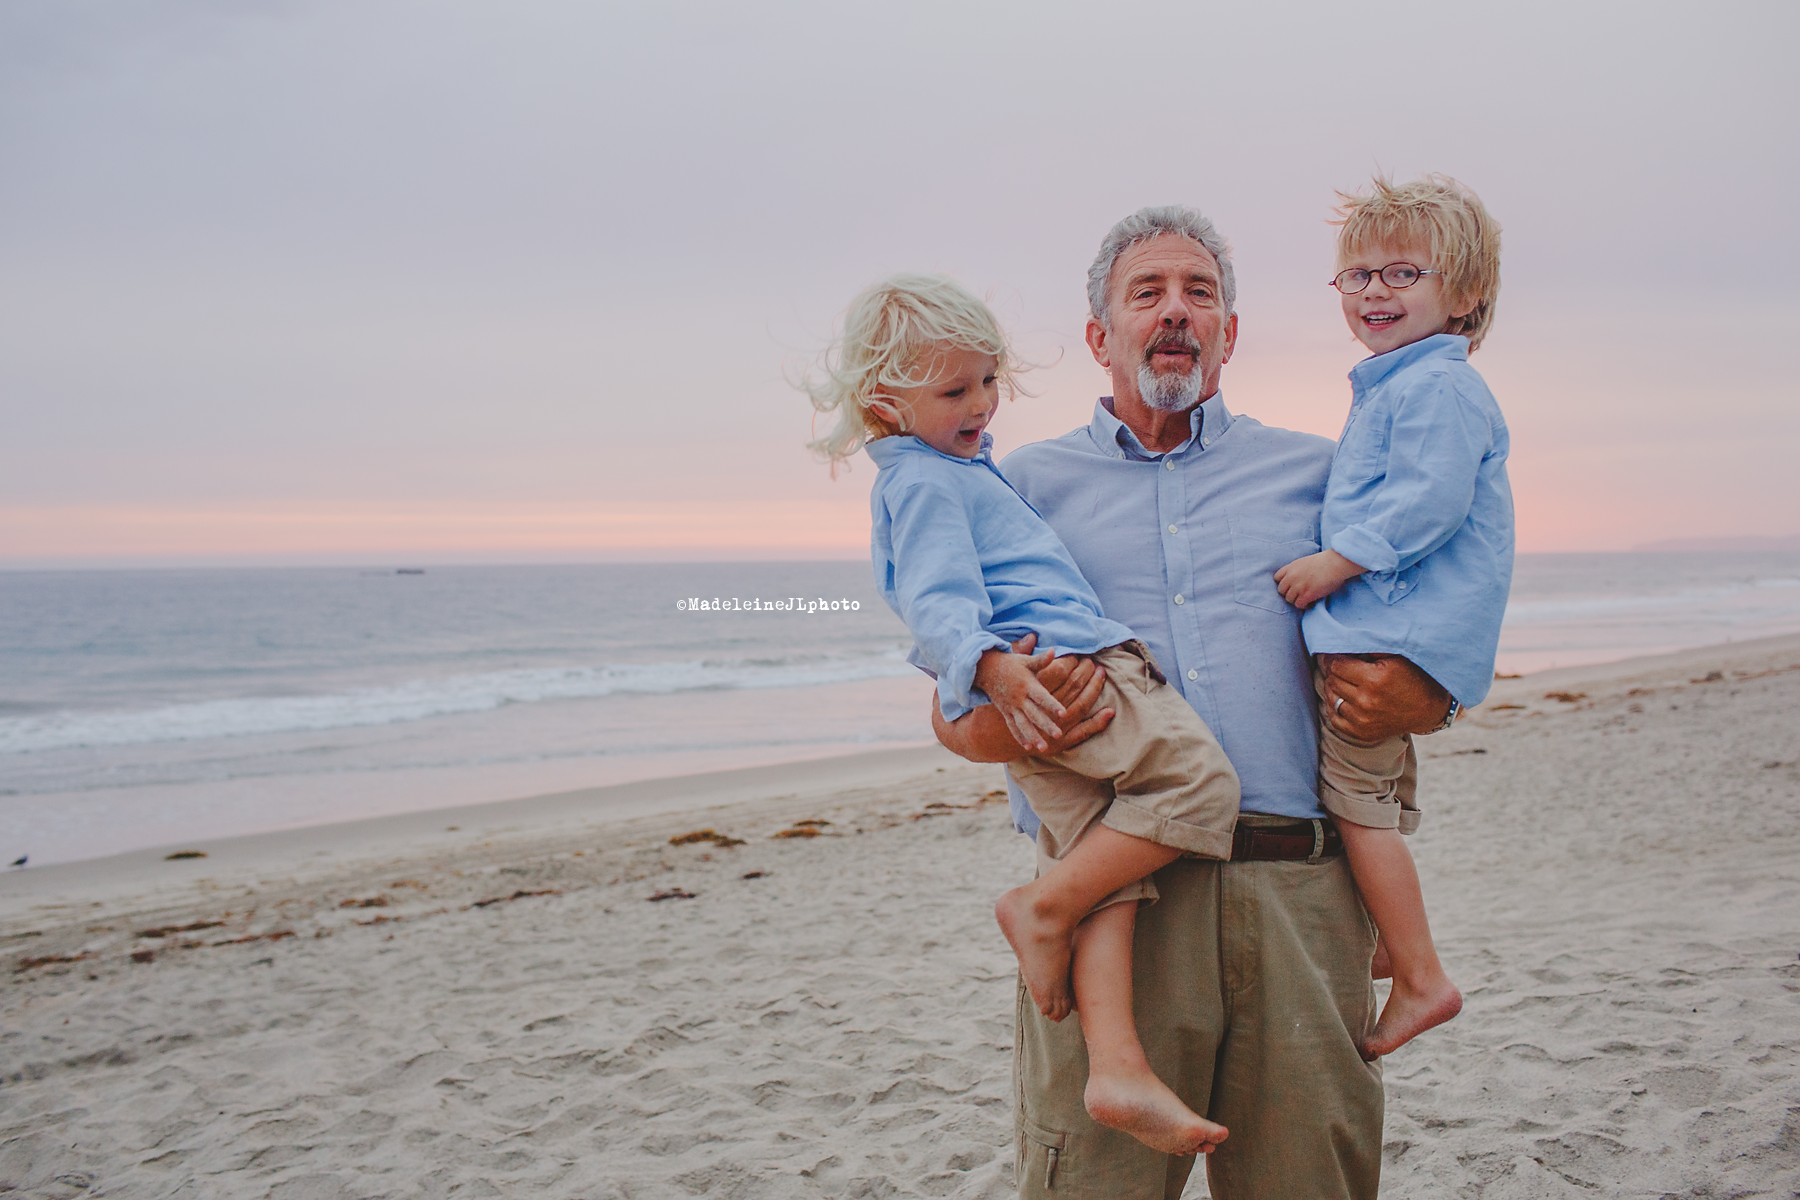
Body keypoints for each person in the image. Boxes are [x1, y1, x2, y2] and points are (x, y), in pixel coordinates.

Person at [931, 207, 1455, 1199]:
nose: (1176, 311)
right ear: (1100, 337)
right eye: (1148, 293)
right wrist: (1028, 710)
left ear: (1230, 332)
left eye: (1199, 293)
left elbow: (1422, 647)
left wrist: (1424, 701)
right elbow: (954, 715)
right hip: (1114, 912)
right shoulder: (1013, 489)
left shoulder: (1324, 475)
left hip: (1302, 898)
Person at [798, 273, 1241, 1156]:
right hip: (1067, 670)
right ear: (885, 403)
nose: (981, 405)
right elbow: (935, 601)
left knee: (1104, 875)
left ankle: (1116, 1068)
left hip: (1033, 680)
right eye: (954, 391)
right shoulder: (928, 482)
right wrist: (992, 669)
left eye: (988, 382)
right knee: (1201, 784)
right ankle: (1039, 910)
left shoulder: (957, 470)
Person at [1274, 174, 1513, 1059]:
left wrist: (1337, 561)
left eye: (1403, 273)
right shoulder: (1397, 385)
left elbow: (1428, 501)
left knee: (1356, 804)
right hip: (1399, 631)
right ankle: (1386, 937)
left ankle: (1419, 974)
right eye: (1359, 275)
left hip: (1388, 632)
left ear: (1466, 294)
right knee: (1375, 793)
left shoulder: (1435, 388)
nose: (1375, 291)